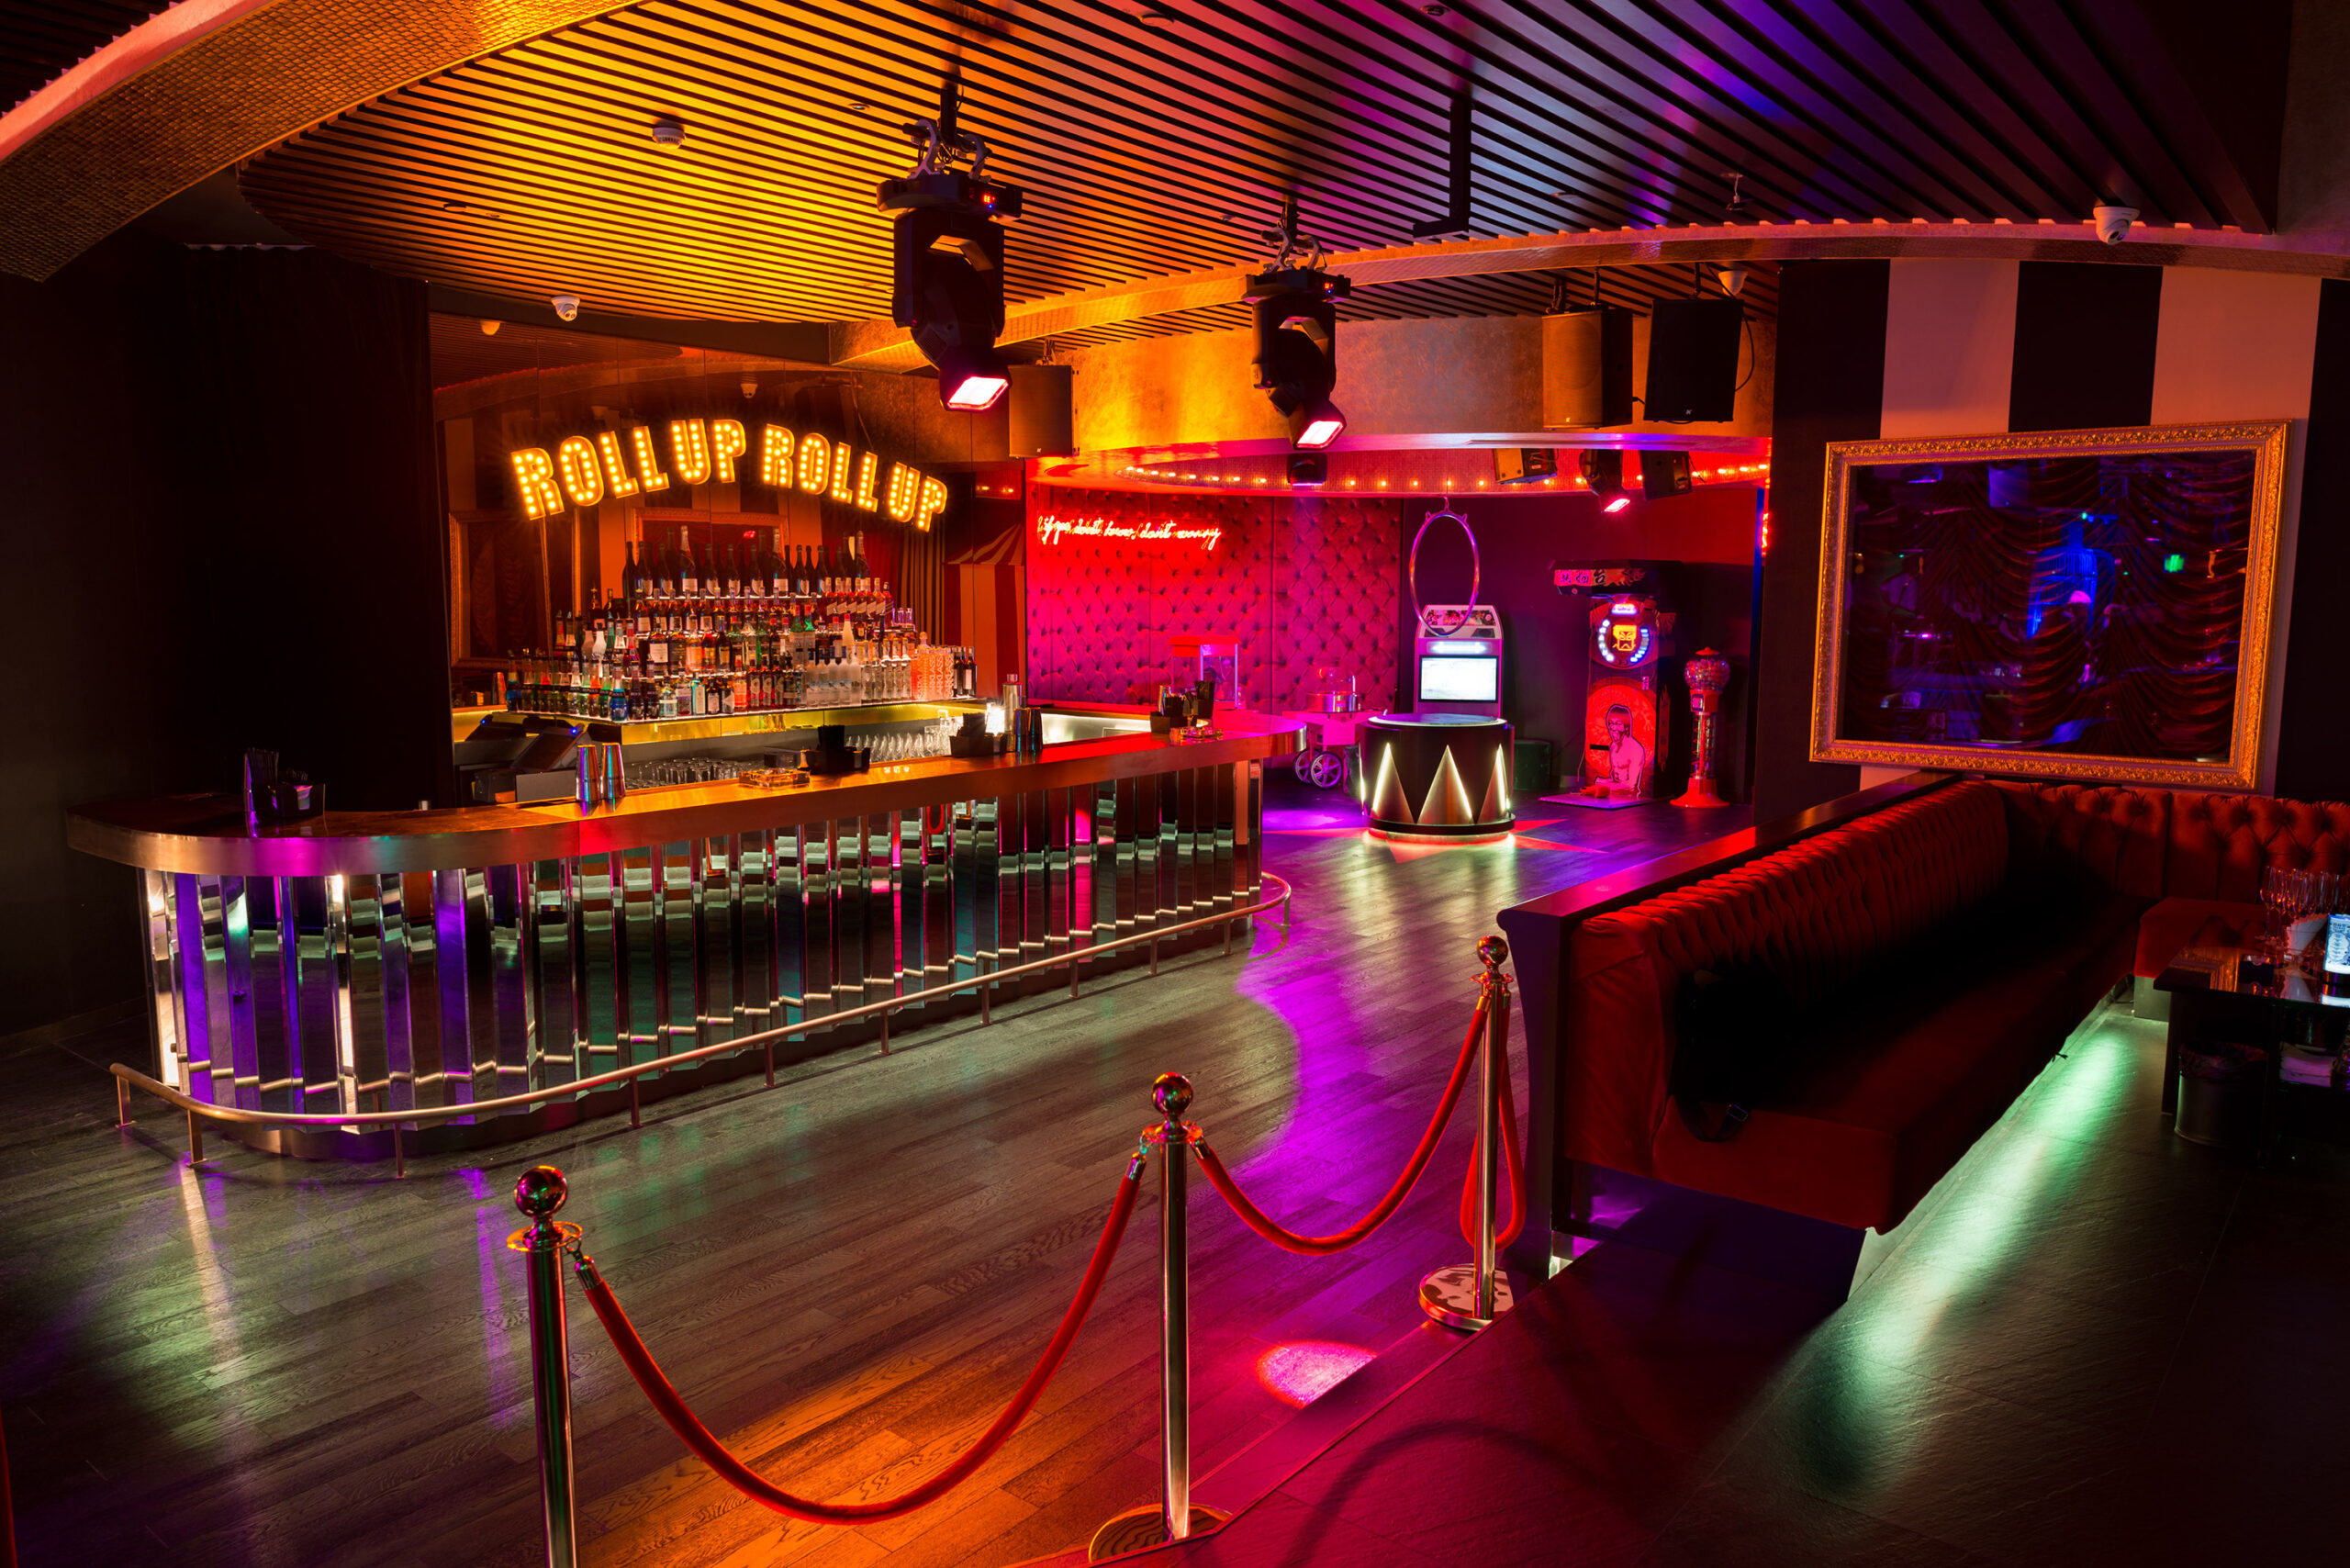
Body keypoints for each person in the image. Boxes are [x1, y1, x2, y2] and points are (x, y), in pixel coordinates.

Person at [1583, 703, 1649, 798]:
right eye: (1611, 723)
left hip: (1629, 799)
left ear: (1626, 727)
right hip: (1612, 797)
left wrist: (1604, 786)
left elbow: (1630, 786)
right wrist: (1601, 782)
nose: (1613, 728)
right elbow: (1616, 780)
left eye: (1618, 724)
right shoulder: (1613, 746)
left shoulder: (1636, 749)